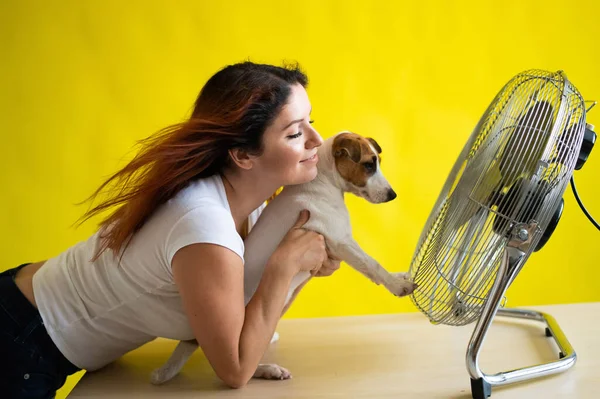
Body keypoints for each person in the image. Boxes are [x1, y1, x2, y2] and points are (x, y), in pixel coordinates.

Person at [0, 61, 342, 398]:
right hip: (20, 337)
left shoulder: (249, 209)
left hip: (26, 324)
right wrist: (283, 267)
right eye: (295, 133)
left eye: (311, 122)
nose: (317, 140)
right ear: (242, 155)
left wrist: (302, 268)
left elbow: (249, 319)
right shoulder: (205, 227)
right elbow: (235, 368)